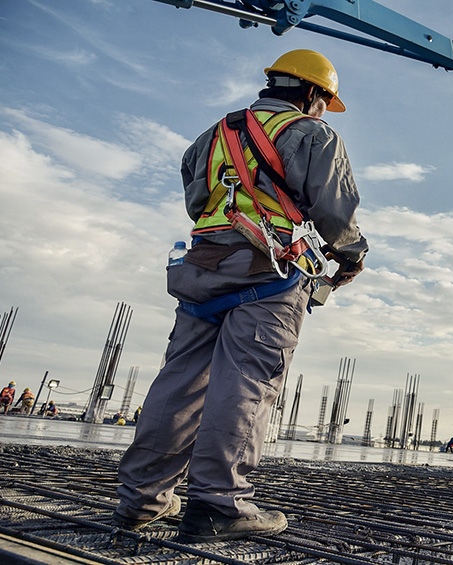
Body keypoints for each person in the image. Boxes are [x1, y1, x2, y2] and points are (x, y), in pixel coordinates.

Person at [113, 49, 368, 542]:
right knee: (246, 382)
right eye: (323, 101)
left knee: (180, 383)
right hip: (268, 275)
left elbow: (195, 199)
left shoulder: (213, 134)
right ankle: (218, 503)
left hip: (202, 269)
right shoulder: (314, 134)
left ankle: (141, 499)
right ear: (312, 93)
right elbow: (335, 213)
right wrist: (353, 256)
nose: (322, 110)